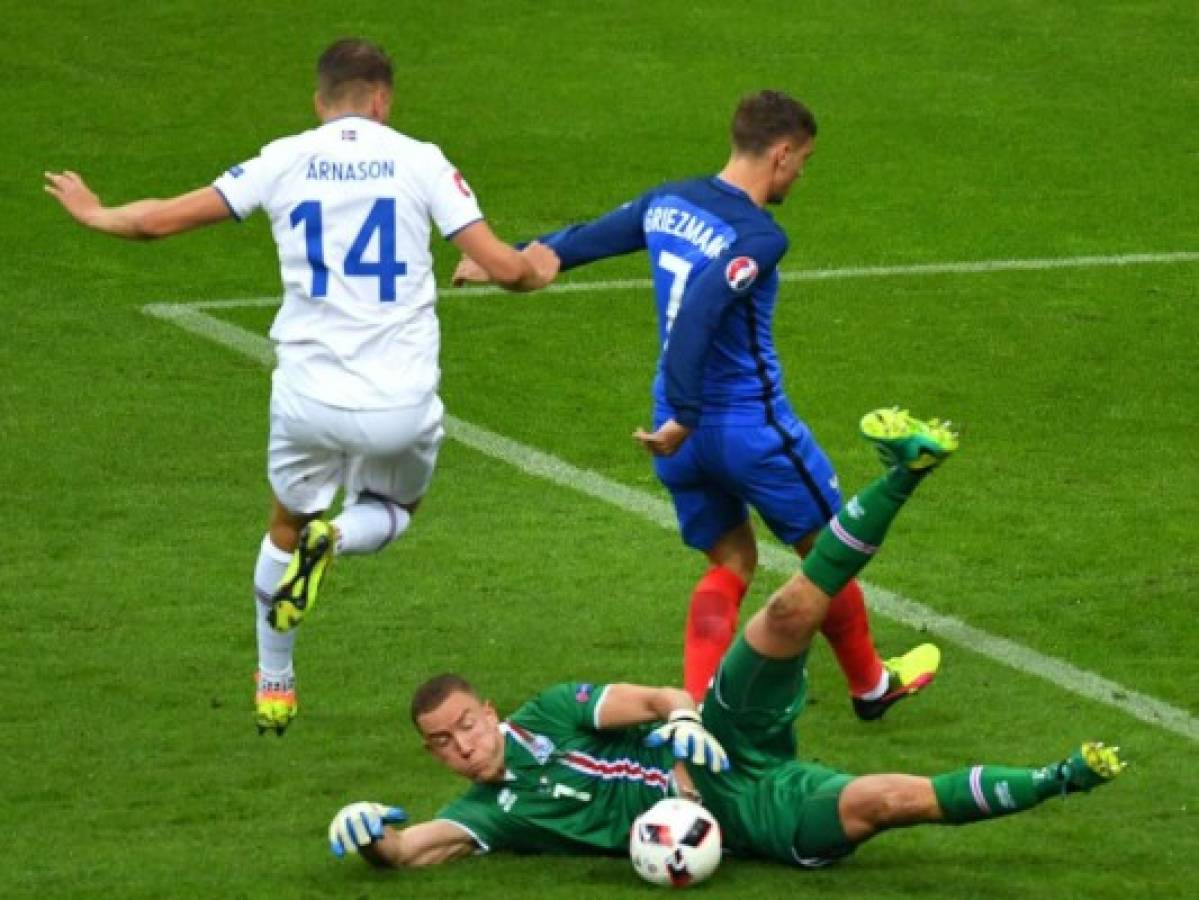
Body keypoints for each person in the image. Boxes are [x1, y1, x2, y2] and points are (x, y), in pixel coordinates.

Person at [326, 409, 1125, 870]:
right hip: (747, 814)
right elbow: (410, 851)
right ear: (434, 756)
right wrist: (367, 835)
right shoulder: (493, 811)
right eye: (444, 742)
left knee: (782, 614)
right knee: (888, 802)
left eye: (466, 725)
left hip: (719, 742)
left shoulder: (549, 713)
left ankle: (903, 472)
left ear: (488, 711)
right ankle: (1056, 779)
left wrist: (680, 739)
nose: (463, 746)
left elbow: (663, 698)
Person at [44, 38, 560, 735]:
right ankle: (340, 538)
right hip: (397, 404)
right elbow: (501, 264)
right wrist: (536, 269)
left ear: (320, 103)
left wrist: (94, 211)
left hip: (307, 400)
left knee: (284, 524)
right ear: (383, 99)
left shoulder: (283, 157)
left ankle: (276, 683)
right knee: (396, 507)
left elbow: (160, 221)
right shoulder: (421, 160)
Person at [453, 90, 934, 717]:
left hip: (676, 433)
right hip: (744, 427)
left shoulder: (667, 201)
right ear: (781, 154)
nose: (801, 174)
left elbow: (583, 240)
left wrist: (506, 260)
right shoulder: (760, 236)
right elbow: (704, 308)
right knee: (829, 550)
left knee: (731, 559)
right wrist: (688, 409)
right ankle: (871, 685)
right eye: (804, 160)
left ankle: (695, 712)